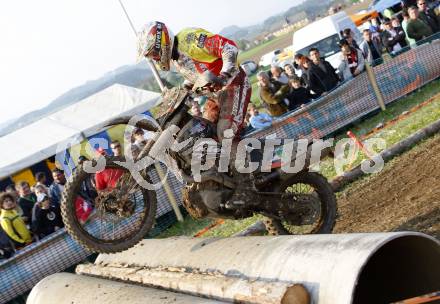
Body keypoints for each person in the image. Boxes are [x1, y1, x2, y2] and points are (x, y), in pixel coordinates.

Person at [137, 21, 250, 141]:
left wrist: (225, 75)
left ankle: (256, 155)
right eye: (151, 56)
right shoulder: (176, 59)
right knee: (205, 133)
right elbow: (196, 78)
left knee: (225, 135)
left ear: (162, 42)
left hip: (234, 86)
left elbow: (229, 47)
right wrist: (179, 96)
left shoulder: (190, 40)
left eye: (154, 53)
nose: (155, 58)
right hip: (215, 97)